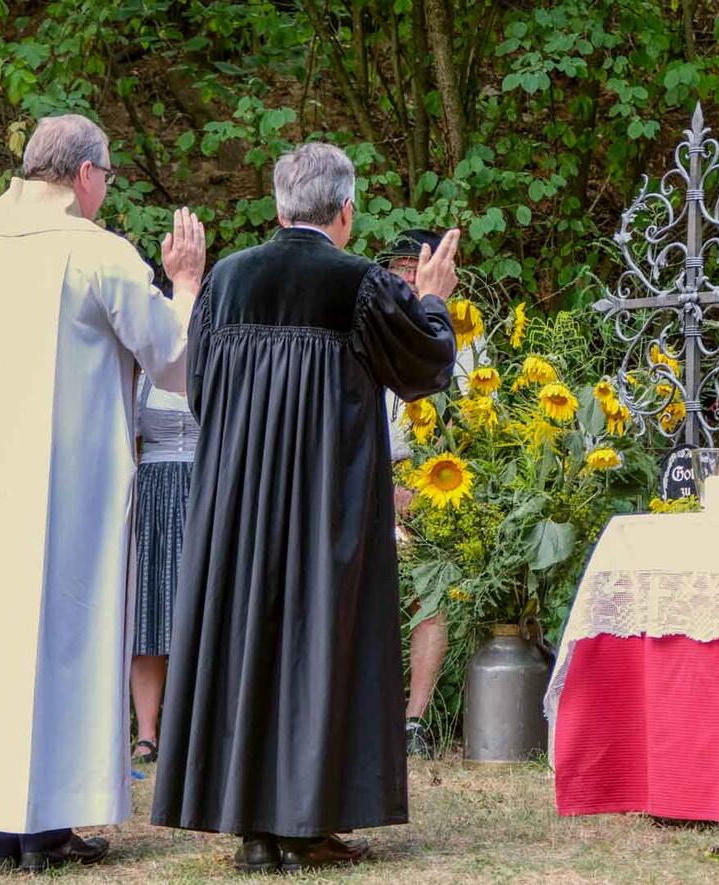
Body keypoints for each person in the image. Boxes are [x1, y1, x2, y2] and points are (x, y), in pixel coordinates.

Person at [151, 143, 460, 873]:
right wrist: (435, 295)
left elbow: (199, 389)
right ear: (346, 212)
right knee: (320, 644)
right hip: (326, 498)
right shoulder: (358, 285)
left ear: (277, 207)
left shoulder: (225, 281)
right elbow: (425, 365)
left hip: (238, 502)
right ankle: (303, 824)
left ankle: (255, 829)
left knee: (247, 643)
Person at [0, 113, 206, 873]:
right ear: (82, 174)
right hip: (65, 490)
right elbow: (174, 359)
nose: (106, 189)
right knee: (60, 644)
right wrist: (185, 284)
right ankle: (45, 821)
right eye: (106, 175)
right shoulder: (97, 254)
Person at [380, 229, 452, 758]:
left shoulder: (461, 334)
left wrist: (419, 485)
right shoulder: (373, 324)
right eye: (401, 266)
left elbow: (469, 422)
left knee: (427, 597)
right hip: (366, 481)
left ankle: (415, 718)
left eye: (417, 266)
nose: (407, 276)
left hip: (432, 483)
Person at [129, 370, 199, 766]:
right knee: (150, 610)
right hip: (153, 494)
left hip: (206, 486)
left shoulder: (215, 366)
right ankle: (148, 734)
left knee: (203, 611)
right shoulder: (144, 375)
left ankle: (196, 728)